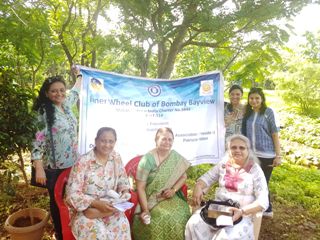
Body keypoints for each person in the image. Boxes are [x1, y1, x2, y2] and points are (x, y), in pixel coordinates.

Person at [185, 134, 269, 240]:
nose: (237, 150)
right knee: (194, 224)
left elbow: (263, 201)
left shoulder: (255, 170)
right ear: (228, 150)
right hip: (218, 210)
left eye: (242, 147)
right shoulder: (224, 164)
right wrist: (198, 186)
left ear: (248, 150)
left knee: (225, 237)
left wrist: (242, 211)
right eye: (233, 147)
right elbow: (206, 179)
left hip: (242, 214)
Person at [31, 73, 81, 240]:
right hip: (55, 168)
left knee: (72, 197)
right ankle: (61, 233)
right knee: (57, 201)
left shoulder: (65, 105)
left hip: (73, 164)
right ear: (46, 93)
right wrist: (39, 168)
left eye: (61, 90)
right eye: (54, 91)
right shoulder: (43, 112)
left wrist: (80, 75)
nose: (59, 94)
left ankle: (74, 228)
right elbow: (37, 140)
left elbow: (75, 91)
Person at [66, 127, 131, 239]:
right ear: (96, 141)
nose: (107, 145)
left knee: (123, 224)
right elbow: (72, 194)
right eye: (103, 140)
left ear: (115, 142)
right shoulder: (83, 161)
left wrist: (124, 192)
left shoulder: (116, 158)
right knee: (98, 234)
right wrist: (96, 203)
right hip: (86, 210)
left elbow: (123, 180)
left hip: (110, 208)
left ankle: (106, 212)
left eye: (111, 141)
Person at [132, 127, 191, 240]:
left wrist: (173, 190)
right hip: (150, 197)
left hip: (170, 196)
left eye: (170, 139)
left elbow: (184, 177)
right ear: (156, 140)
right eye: (164, 139)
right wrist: (145, 210)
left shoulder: (175, 157)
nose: (167, 142)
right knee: (162, 216)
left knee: (182, 213)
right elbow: (140, 187)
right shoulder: (147, 160)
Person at [241, 87, 281, 218]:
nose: (254, 100)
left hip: (267, 155)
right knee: (252, 181)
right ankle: (255, 206)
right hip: (252, 155)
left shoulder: (268, 112)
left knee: (263, 182)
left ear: (262, 99)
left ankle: (267, 208)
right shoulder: (248, 113)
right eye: (251, 98)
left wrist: (278, 155)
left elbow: (275, 134)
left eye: (257, 98)